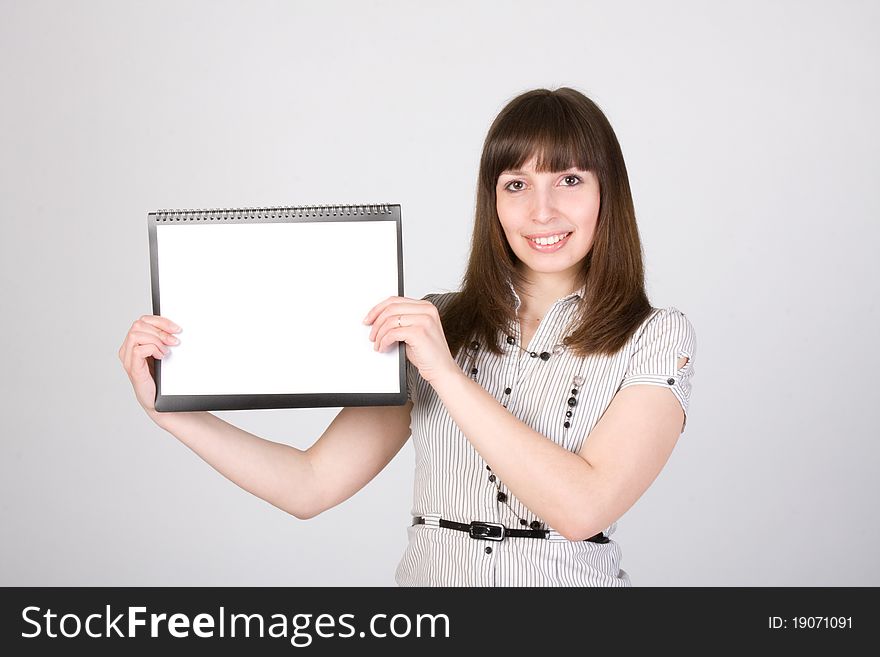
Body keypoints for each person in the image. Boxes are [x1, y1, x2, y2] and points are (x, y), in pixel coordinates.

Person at [119, 87, 696, 587]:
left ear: (607, 194)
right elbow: (309, 484)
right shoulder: (435, 323)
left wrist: (446, 375)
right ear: (492, 204)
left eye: (569, 180)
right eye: (515, 184)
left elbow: (580, 510)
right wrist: (174, 411)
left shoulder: (656, 337)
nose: (541, 211)